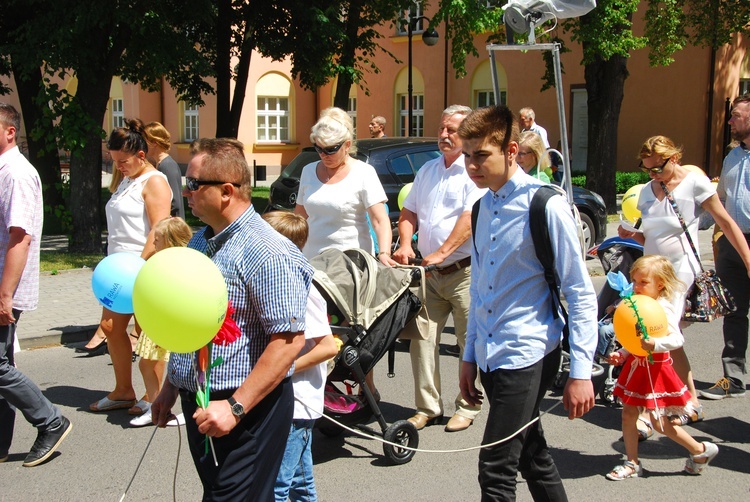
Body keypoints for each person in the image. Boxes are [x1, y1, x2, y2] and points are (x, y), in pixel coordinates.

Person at [151, 138, 311, 500]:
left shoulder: (267, 251)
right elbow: (192, 322)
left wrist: (236, 406)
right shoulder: (200, 242)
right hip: (202, 403)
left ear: (225, 191)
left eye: (193, 184)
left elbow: (288, 341)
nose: (185, 192)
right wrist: (172, 384)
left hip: (247, 408)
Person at [457, 105, 597, 500]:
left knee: (495, 468)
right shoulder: (482, 207)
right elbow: (480, 289)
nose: (471, 165)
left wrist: (581, 372)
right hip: (490, 353)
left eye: (481, 155)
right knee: (532, 456)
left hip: (528, 352)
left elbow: (580, 293)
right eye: (467, 155)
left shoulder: (546, 204)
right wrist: (469, 355)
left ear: (512, 150)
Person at [617, 135, 750, 424]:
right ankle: (685, 401)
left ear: (674, 158)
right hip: (650, 273)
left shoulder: (694, 183)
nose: (652, 174)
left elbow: (726, 222)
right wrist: (631, 235)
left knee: (661, 331)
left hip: (679, 272)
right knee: (665, 337)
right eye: (647, 169)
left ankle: (667, 405)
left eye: (658, 168)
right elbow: (652, 235)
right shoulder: (647, 191)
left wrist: (748, 260)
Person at [393, 105, 486, 433]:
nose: (445, 135)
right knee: (422, 341)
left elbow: (470, 219)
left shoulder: (473, 171)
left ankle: (468, 405)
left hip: (464, 272)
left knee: (468, 343)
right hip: (429, 275)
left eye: (453, 130)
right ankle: (427, 407)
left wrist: (442, 252)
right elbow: (408, 211)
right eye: (442, 128)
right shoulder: (428, 170)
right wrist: (405, 244)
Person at [295, 107, 395, 397]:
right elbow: (299, 217)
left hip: (351, 268)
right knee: (314, 329)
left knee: (353, 331)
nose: (324, 154)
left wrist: (384, 252)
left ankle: (367, 387)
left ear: (348, 145)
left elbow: (379, 219)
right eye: (319, 148)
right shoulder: (307, 171)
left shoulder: (363, 173)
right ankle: (322, 390)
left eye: (331, 149)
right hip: (312, 265)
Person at [0, 102, 73, 467]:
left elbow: (20, 237)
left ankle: (51, 421)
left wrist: (5, 295)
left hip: (4, 288)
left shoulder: (15, 173)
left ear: (10, 132)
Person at [605, 255, 719, 480]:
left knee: (659, 422)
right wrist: (623, 353)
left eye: (643, 282)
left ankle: (700, 450)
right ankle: (632, 463)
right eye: (634, 281)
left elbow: (677, 340)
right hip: (637, 366)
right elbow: (635, 337)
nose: (636, 286)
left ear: (660, 284)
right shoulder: (636, 304)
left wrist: (656, 344)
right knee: (628, 414)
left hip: (657, 370)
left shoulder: (662, 308)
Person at [89, 119, 172, 413]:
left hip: (141, 268)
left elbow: (159, 229)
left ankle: (154, 397)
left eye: (122, 161)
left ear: (141, 155)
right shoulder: (127, 178)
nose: (118, 166)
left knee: (147, 334)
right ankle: (123, 390)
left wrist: (138, 265)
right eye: (114, 161)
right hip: (118, 269)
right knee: (111, 327)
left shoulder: (155, 181)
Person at [262, 211, 338, 502]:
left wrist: (285, 368)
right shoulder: (275, 281)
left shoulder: (301, 289)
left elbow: (328, 347)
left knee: (277, 485)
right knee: (300, 483)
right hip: (285, 399)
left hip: (298, 403)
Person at [703, 94, 750, 400]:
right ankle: (734, 376)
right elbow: (718, 201)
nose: (730, 121)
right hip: (732, 243)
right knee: (733, 310)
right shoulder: (732, 157)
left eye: (736, 116)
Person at [129, 216, 192, 427]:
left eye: (157, 239)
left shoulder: (178, 261)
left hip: (169, 319)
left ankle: (160, 406)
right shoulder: (161, 259)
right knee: (147, 363)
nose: (153, 244)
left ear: (169, 239)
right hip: (158, 317)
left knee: (166, 364)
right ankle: (156, 404)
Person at [143, 122, 185, 219]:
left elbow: (174, 202)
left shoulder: (167, 166)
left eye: (144, 141)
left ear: (154, 143)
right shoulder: (161, 164)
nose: (143, 146)